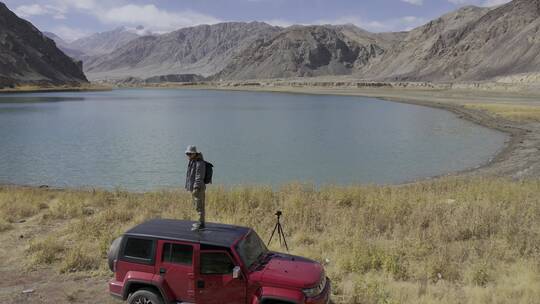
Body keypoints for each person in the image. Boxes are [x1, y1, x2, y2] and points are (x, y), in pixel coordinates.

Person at [185, 145, 206, 230]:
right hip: (195, 188)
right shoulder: (192, 161)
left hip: (198, 188)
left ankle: (200, 224)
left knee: (199, 206)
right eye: (187, 154)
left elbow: (199, 177)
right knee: (197, 205)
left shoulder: (199, 163)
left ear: (194, 153)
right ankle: (200, 223)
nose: (188, 155)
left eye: (190, 154)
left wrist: (195, 188)